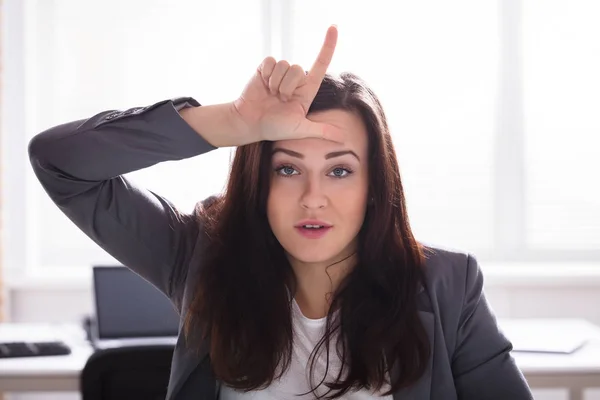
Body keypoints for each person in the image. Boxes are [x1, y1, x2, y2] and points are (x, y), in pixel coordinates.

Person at [28, 25, 533, 400]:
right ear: (259, 183)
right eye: (288, 170)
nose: (313, 197)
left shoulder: (448, 287)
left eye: (339, 172)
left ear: (376, 187)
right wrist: (230, 123)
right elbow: (60, 163)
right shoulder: (200, 258)